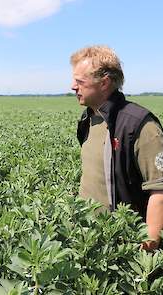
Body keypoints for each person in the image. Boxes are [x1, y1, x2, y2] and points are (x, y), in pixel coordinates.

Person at [70, 45, 163, 250]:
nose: (72, 86)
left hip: (123, 243)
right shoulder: (89, 118)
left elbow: (160, 191)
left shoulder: (139, 125)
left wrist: (147, 250)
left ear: (104, 83)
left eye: (79, 81)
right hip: (89, 240)